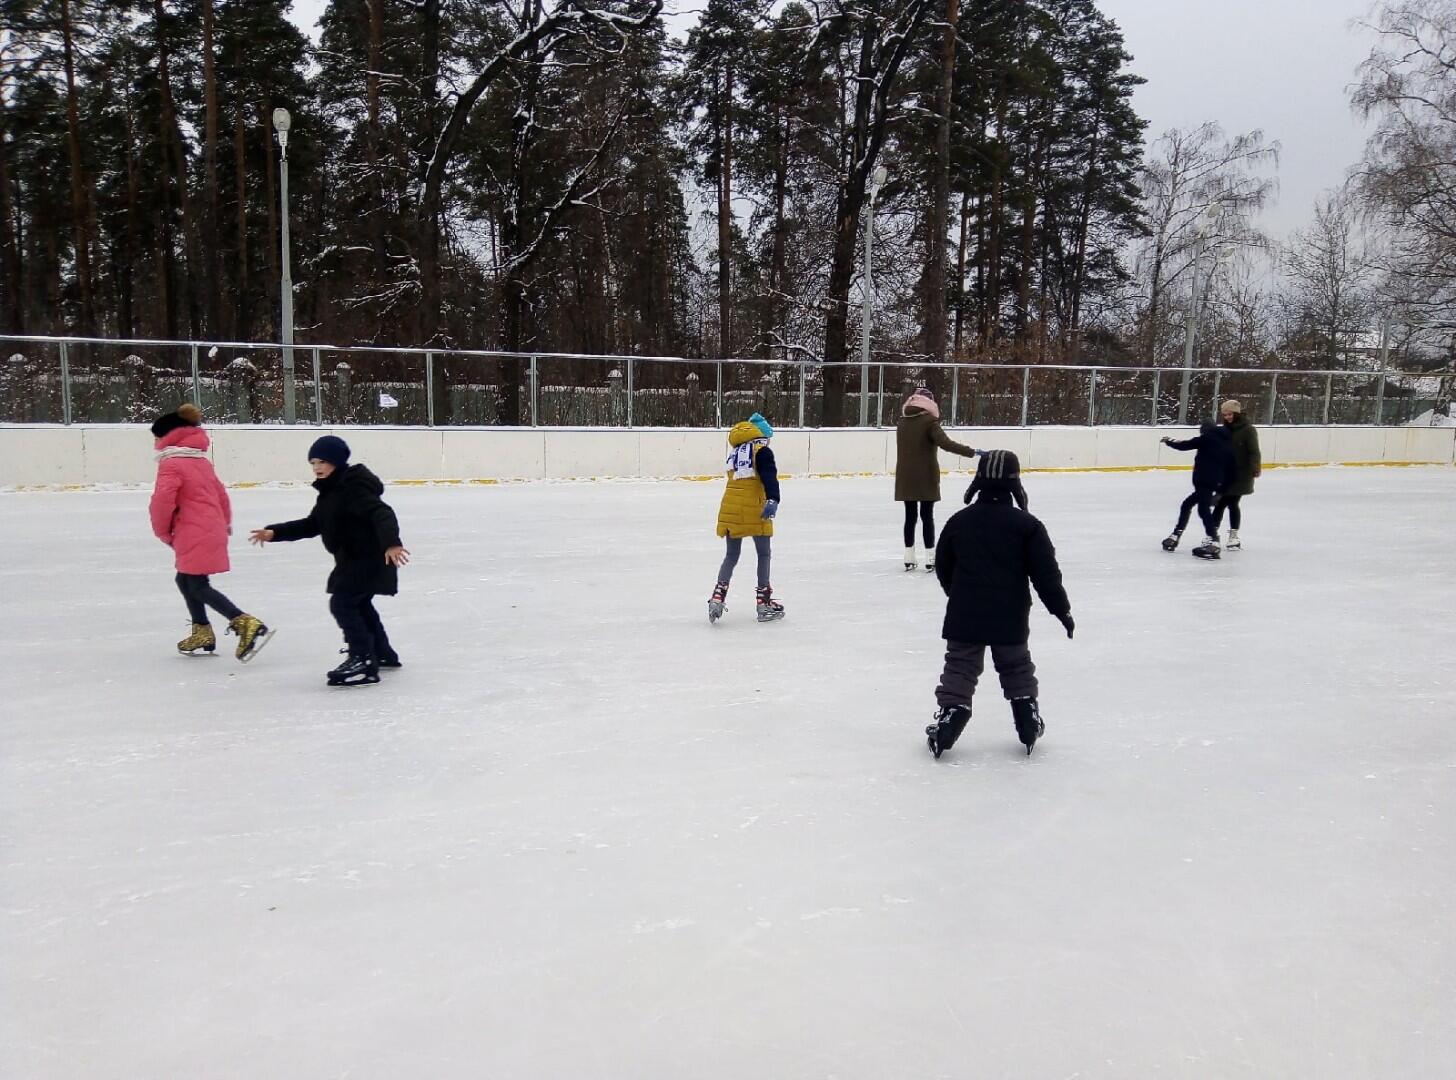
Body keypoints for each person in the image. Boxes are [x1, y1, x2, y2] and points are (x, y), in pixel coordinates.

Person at [926, 450, 1072, 759]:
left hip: (965, 611)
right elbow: (1046, 575)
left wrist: (957, 592)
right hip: (1010, 613)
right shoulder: (1027, 525)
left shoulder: (959, 521)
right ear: (1015, 485)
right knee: (1016, 664)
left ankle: (951, 716)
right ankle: (1027, 717)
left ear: (978, 481)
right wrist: (1062, 610)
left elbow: (943, 565)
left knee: (961, 666)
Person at [249, 436, 409, 686]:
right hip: (351, 560)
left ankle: (363, 659)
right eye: (313, 462)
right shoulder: (330, 491)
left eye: (322, 461)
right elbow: (313, 524)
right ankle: (381, 653)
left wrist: (392, 542)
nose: (316, 467)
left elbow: (382, 513)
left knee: (343, 604)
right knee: (360, 605)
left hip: (368, 558)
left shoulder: (352, 487)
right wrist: (275, 532)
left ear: (337, 461)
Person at [148, 403, 271, 660]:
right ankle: (202, 630)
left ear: (168, 436)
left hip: (191, 529)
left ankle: (244, 622)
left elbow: (162, 501)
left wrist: (162, 531)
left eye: (157, 436)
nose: (155, 442)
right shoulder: (199, 461)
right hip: (210, 527)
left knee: (196, 584)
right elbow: (221, 495)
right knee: (185, 580)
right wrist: (223, 523)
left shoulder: (171, 464)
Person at [708, 412, 784, 624]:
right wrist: (773, 500)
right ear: (763, 436)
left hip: (730, 510)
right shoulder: (763, 452)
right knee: (764, 554)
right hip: (755, 510)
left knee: (731, 556)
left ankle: (717, 597)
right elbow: (769, 477)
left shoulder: (735, 452)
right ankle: (763, 602)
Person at [894, 386, 978, 571]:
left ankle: (909, 556)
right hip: (925, 475)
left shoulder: (902, 422)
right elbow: (946, 444)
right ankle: (930, 558)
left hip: (905, 475)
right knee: (926, 516)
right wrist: (972, 452)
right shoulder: (929, 422)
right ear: (929, 404)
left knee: (910, 516)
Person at [1159, 422, 1233, 556]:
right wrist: (1221, 490)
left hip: (1204, 481)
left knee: (1202, 510)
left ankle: (1213, 541)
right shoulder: (1225, 443)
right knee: (1187, 505)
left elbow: (1184, 445)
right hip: (1214, 482)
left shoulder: (1206, 438)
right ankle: (1176, 535)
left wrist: (1169, 441)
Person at [1208, 399, 1261, 553]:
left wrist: (1255, 467)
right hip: (1225, 473)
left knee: (1230, 503)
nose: (1227, 417)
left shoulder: (1248, 430)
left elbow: (1254, 451)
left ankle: (1232, 535)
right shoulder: (1224, 430)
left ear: (1237, 413)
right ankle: (1213, 534)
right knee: (1220, 503)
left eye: (1230, 414)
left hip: (1241, 474)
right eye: (1224, 415)